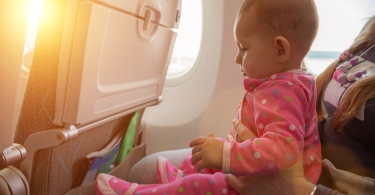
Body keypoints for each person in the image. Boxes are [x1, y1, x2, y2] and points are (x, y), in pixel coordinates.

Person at [95, 0, 321, 194]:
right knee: (206, 152)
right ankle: (181, 176)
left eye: (244, 48)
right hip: (262, 166)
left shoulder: (285, 92)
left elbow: (283, 151)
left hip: (275, 185)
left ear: (280, 49)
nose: (236, 58)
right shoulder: (284, 84)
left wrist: (226, 153)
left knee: (198, 184)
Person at [225, 15, 375, 195]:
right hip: (288, 165)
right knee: (192, 162)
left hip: (302, 184)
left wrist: (299, 190)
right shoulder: (370, 31)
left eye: (244, 48)